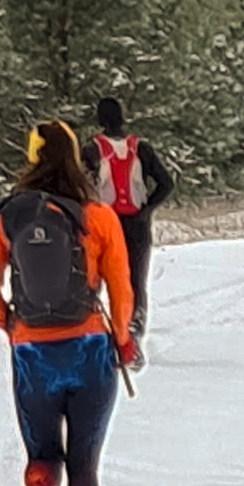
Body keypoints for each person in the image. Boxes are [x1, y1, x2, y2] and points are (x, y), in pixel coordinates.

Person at [0, 120, 137, 486]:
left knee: (42, 454)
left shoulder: (9, 218)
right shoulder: (97, 216)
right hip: (89, 351)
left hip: (32, 353)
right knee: (84, 464)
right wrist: (122, 339)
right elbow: (121, 288)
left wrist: (10, 323)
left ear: (32, 157)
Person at [86, 97, 178, 340]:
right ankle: (133, 335)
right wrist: (147, 210)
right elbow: (166, 184)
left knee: (95, 280)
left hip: (105, 225)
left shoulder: (92, 150)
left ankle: (97, 331)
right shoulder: (141, 148)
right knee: (135, 281)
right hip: (137, 224)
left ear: (99, 119)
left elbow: (80, 187)